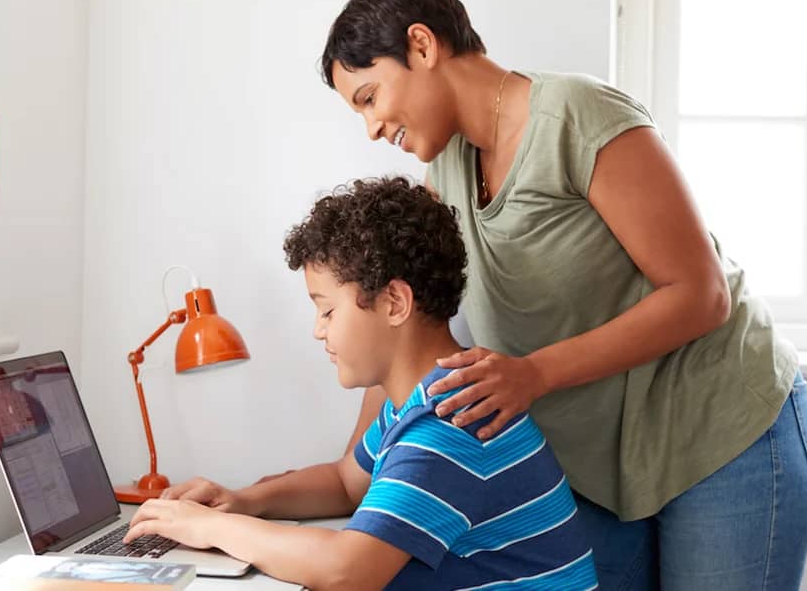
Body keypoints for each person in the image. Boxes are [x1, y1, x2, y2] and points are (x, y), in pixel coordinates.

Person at [303, 0, 807, 589]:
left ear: (422, 45)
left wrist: (534, 374)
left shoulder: (577, 117)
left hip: (722, 431)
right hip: (607, 464)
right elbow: (405, 318)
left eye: (369, 97)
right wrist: (355, 470)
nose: (370, 128)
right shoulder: (445, 166)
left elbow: (701, 295)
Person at [125, 177, 597, 590]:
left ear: (394, 302)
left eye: (328, 310)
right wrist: (244, 500)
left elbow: (346, 573)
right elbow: (348, 481)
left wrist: (208, 527)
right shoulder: (422, 402)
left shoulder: (452, 424)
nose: (318, 330)